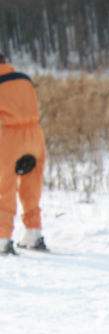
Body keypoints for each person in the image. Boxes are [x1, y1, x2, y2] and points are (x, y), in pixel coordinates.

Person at [0, 53, 47, 255]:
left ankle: (2, 238)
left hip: (8, 138)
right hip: (35, 136)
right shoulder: (23, 78)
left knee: (4, 188)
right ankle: (34, 233)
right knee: (31, 188)